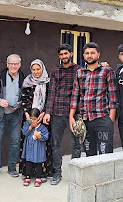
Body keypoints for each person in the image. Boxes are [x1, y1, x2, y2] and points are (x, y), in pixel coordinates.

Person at [69, 42, 118, 157]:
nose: (89, 55)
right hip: (86, 120)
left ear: (98, 55)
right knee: (89, 154)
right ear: (83, 55)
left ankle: (105, 176)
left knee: (105, 154)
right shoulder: (79, 73)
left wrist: (110, 120)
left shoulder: (107, 71)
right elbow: (75, 95)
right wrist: (71, 116)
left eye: (92, 53)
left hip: (102, 118)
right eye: (87, 53)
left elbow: (113, 97)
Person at [42, 44, 82, 185]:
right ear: (59, 56)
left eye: (66, 53)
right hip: (57, 114)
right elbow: (51, 93)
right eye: (61, 54)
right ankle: (57, 173)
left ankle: (75, 175)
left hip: (73, 114)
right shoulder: (55, 71)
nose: (64, 56)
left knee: (76, 145)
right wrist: (48, 112)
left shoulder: (78, 70)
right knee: (55, 145)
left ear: (71, 53)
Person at [0, 54, 25, 180]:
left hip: (16, 114)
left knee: (15, 141)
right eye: (11, 64)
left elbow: (26, 95)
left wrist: (20, 104)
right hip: (0, 114)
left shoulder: (23, 78)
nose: (13, 66)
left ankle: (12, 167)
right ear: (7, 64)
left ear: (19, 65)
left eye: (16, 64)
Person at [19, 59, 52, 182]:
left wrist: (43, 114)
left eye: (38, 69)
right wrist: (28, 116)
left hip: (43, 118)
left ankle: (42, 173)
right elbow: (24, 99)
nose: (36, 72)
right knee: (27, 143)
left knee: (42, 144)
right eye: (33, 69)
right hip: (29, 117)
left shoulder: (48, 82)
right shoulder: (27, 82)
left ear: (42, 69)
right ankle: (26, 172)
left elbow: (49, 99)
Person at [21, 108, 49, 187]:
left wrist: (39, 136)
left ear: (38, 119)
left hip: (38, 150)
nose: (33, 121)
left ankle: (38, 178)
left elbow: (46, 137)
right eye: (31, 119)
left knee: (38, 164)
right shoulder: (27, 125)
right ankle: (27, 177)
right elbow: (24, 132)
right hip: (29, 149)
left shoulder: (42, 128)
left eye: (34, 119)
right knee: (28, 163)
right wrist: (30, 128)